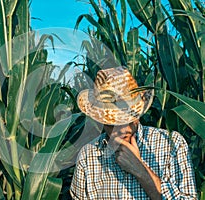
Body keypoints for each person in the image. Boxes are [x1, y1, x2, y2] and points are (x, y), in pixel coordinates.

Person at [70, 66, 197, 199]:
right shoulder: (87, 156)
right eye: (113, 123)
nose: (123, 130)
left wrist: (140, 170)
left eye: (129, 119)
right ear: (100, 119)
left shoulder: (171, 143)